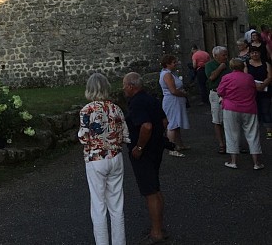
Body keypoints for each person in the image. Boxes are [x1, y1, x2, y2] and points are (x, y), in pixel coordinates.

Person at [78, 73, 129, 245]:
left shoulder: (87, 110)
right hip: (115, 157)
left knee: (98, 205)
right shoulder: (116, 108)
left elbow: (84, 138)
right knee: (117, 204)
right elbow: (125, 134)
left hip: (96, 159)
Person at [123, 72, 168, 245]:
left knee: (150, 191)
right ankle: (159, 227)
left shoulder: (137, 102)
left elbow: (146, 126)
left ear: (131, 86)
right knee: (155, 188)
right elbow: (163, 121)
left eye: (125, 85)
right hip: (156, 149)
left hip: (145, 152)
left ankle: (156, 233)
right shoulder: (151, 99)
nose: (123, 89)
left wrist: (139, 147)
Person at [217, 59, 264, 170]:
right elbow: (254, 90)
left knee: (231, 134)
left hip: (231, 108)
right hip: (249, 108)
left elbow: (220, 91)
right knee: (252, 134)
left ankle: (233, 161)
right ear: (243, 66)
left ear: (231, 67)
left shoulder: (226, 77)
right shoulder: (249, 78)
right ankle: (256, 163)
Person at [159, 54, 190, 156]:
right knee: (172, 124)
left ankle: (179, 145)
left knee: (176, 123)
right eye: (173, 62)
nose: (175, 64)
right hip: (172, 101)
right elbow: (173, 90)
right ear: (167, 64)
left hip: (175, 101)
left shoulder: (170, 73)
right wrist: (184, 94)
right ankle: (171, 148)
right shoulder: (167, 74)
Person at [205, 46, 230, 153]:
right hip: (216, 94)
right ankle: (221, 144)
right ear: (215, 56)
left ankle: (232, 143)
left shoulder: (230, 64)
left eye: (226, 54)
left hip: (229, 94)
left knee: (231, 120)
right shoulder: (209, 65)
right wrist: (220, 68)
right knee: (217, 120)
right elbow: (211, 77)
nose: (226, 57)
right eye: (223, 55)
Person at [245, 47, 272, 140]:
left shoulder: (266, 64)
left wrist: (264, 84)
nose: (254, 54)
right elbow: (246, 76)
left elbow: (270, 76)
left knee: (266, 110)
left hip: (265, 90)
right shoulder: (247, 64)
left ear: (260, 54)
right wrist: (255, 85)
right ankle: (254, 132)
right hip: (252, 91)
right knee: (253, 111)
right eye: (252, 53)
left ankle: (269, 131)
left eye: (256, 52)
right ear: (250, 54)